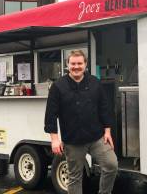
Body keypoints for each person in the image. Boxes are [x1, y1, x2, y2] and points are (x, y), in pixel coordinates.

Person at [44, 50, 118, 194]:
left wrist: (107, 131)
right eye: (73, 63)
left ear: (85, 65)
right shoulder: (58, 87)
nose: (76, 66)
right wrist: (54, 139)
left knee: (111, 165)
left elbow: (104, 108)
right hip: (73, 141)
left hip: (96, 138)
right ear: (67, 65)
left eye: (79, 63)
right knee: (75, 177)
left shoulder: (95, 83)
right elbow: (50, 115)